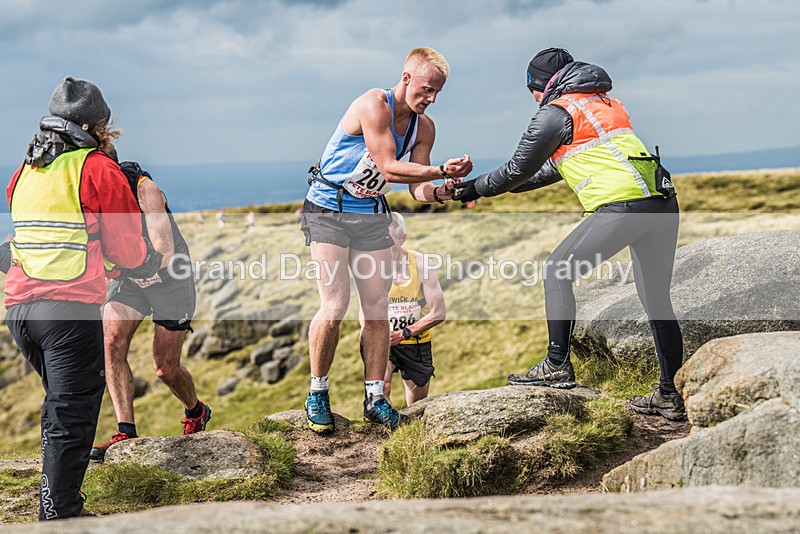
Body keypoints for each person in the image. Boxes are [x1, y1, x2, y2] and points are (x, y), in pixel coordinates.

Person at [454, 48, 685, 421]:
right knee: (657, 300)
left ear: (542, 84)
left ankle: (557, 364)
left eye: (531, 89)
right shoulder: (603, 103)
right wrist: (495, 186)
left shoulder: (555, 112)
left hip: (623, 207)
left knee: (556, 270)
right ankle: (669, 395)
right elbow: (548, 169)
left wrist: (474, 188)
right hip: (661, 203)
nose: (532, 97)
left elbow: (517, 168)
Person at [3, 77, 162, 520]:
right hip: (68, 313)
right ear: (96, 126)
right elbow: (128, 248)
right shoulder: (95, 168)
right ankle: (60, 516)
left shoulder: (25, 171)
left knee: (61, 408)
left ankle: (61, 508)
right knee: (70, 418)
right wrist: (148, 266)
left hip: (19, 311)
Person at [301, 47, 472, 433]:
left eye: (437, 93)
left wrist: (443, 189)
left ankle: (375, 397)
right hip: (328, 209)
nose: (430, 99)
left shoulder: (424, 127)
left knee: (376, 307)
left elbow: (418, 189)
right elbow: (388, 167)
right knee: (336, 303)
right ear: (407, 78)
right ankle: (317, 392)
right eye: (426, 89)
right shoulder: (372, 104)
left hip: (370, 215)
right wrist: (440, 167)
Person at [89, 160, 208, 462]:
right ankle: (125, 431)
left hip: (170, 280)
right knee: (111, 343)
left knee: (165, 368)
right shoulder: (89, 190)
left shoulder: (145, 188)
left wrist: (127, 266)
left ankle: (197, 411)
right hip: (131, 280)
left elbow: (164, 249)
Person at [383, 213, 445, 406]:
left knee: (416, 404)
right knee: (381, 388)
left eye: (389, 240)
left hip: (416, 341)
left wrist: (404, 333)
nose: (384, 246)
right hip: (383, 340)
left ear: (402, 239)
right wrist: (372, 334)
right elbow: (364, 309)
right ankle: (386, 433)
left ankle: (410, 434)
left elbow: (439, 312)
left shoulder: (421, 263)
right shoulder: (372, 265)